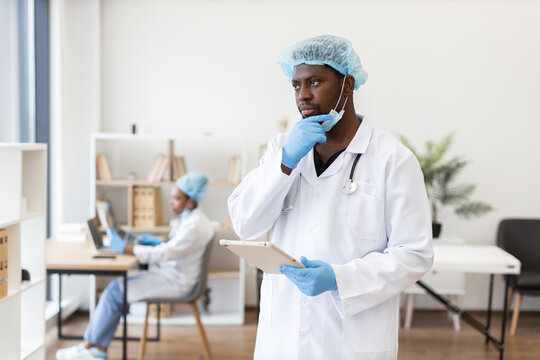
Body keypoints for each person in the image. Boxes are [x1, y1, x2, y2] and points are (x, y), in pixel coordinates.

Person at [228, 35, 433, 359]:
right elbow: (246, 223)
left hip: (352, 339)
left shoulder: (392, 159)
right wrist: (285, 162)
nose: (303, 95)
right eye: (296, 85)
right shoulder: (281, 148)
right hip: (284, 334)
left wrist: (340, 278)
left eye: (314, 81)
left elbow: (414, 254)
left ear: (347, 85)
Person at [57, 172, 215, 360]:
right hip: (173, 275)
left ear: (191, 200)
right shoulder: (193, 220)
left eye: (177, 198)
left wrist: (127, 248)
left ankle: (93, 349)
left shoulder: (195, 225)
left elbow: (165, 254)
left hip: (177, 283)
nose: (171, 202)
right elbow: (174, 249)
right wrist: (155, 243)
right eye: (172, 197)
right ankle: (93, 347)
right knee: (116, 289)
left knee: (115, 291)